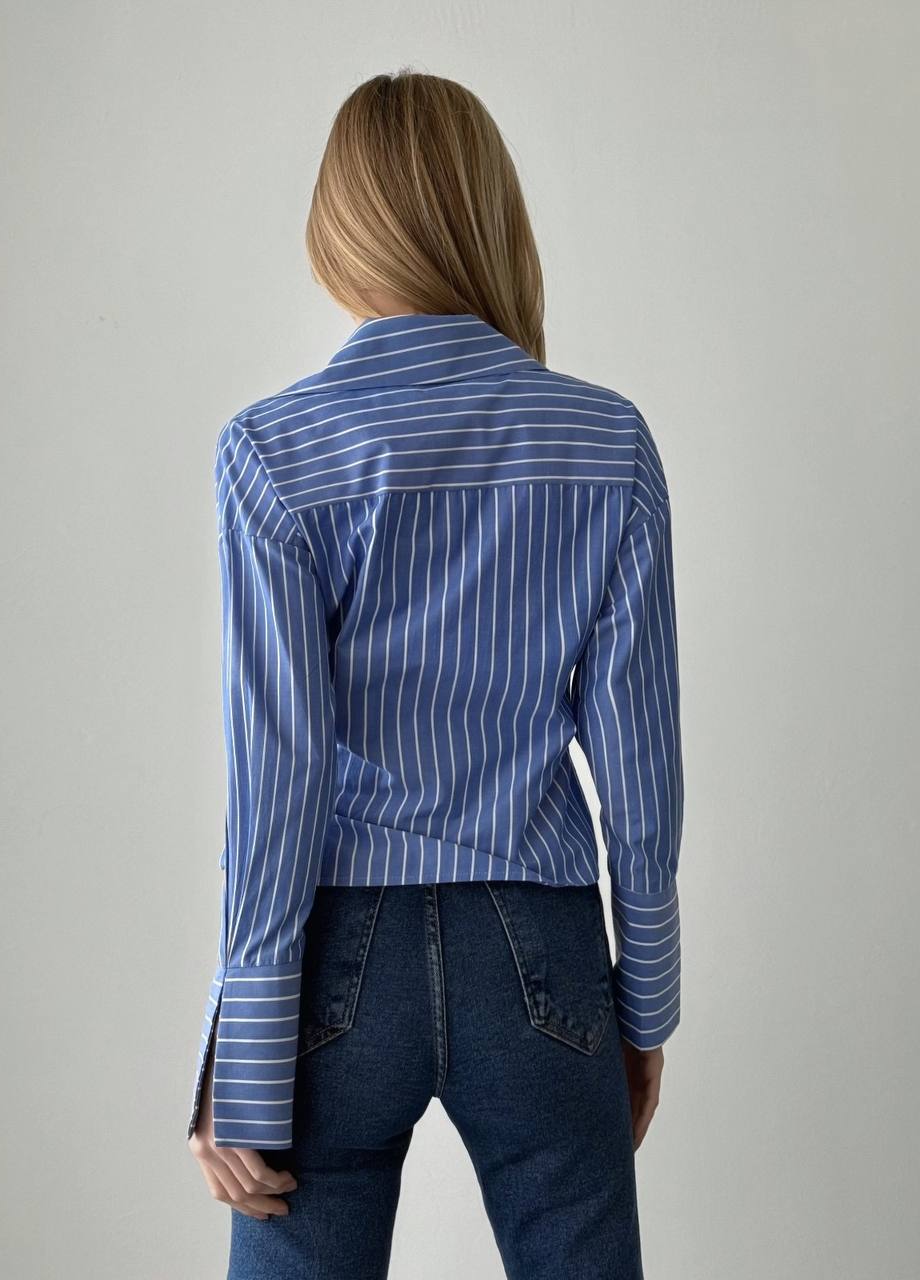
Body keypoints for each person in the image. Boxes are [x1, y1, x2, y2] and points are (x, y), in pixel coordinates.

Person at [186, 69, 684, 1280]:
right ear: (486, 215)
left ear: (337, 229)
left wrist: (242, 1052)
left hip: (335, 958)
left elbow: (277, 781)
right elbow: (640, 775)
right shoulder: (607, 443)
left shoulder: (272, 453)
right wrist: (643, 1002)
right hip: (542, 949)